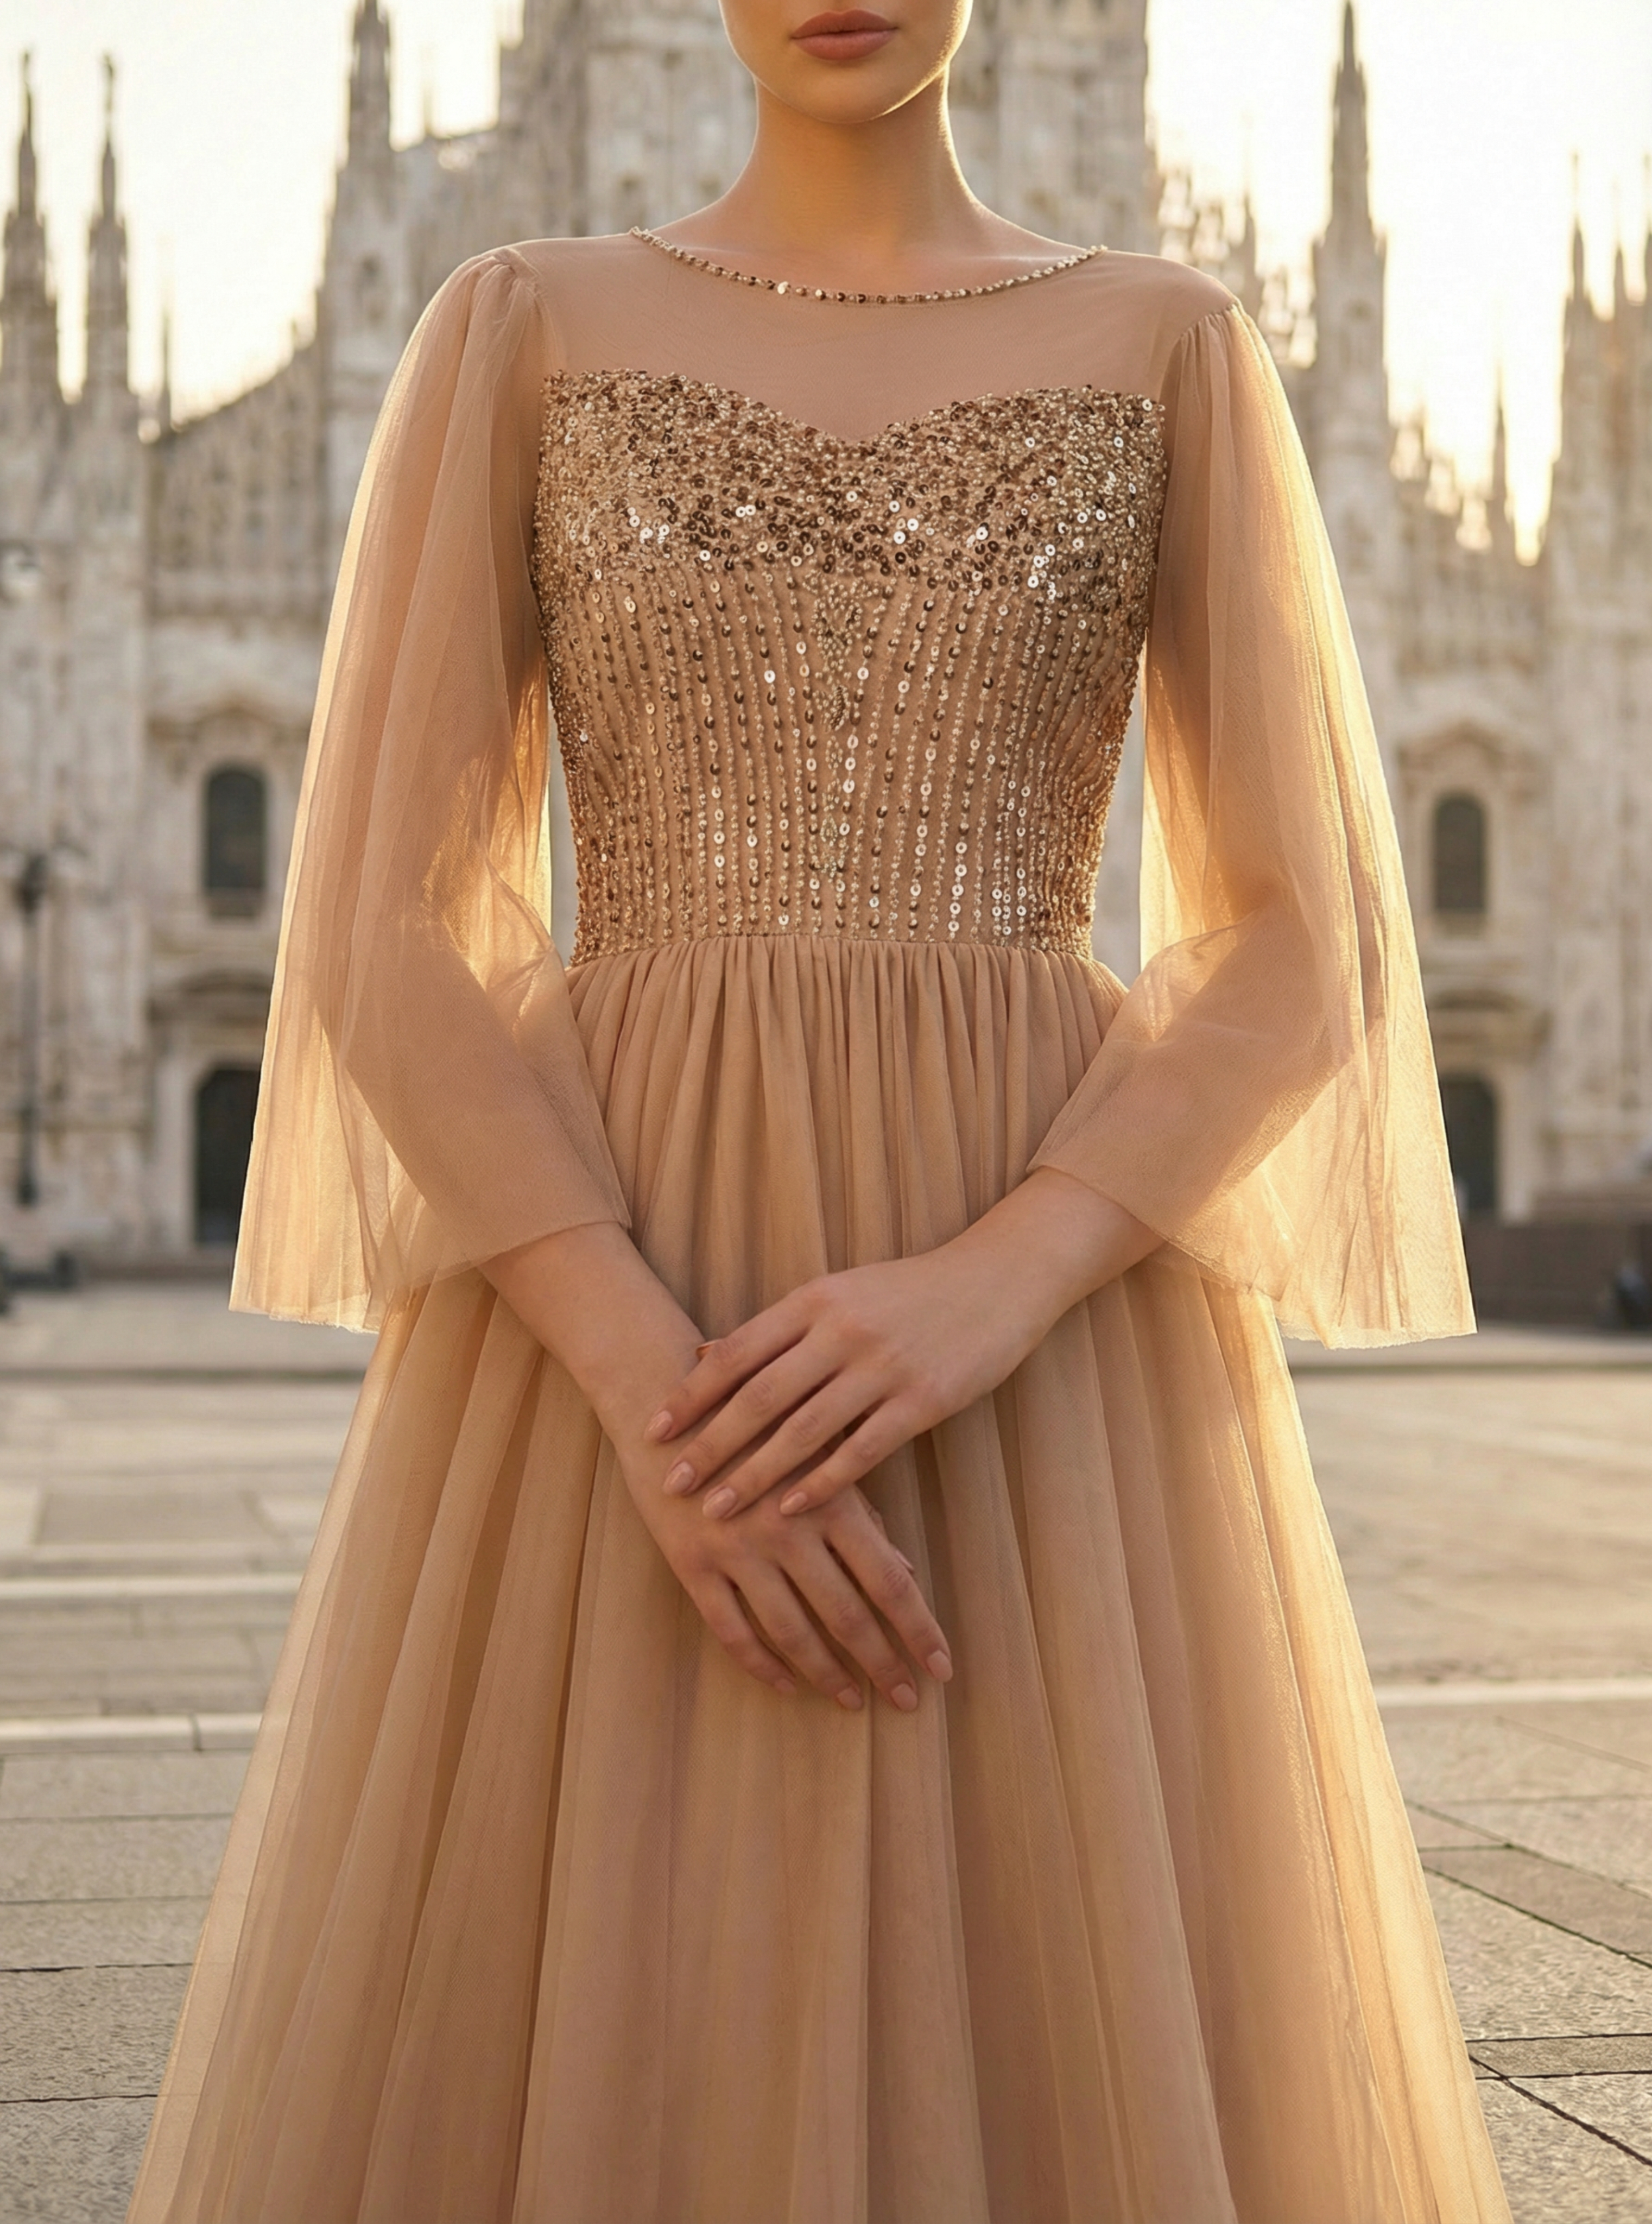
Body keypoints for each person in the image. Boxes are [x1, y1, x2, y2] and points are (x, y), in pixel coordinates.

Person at [130, 0, 1514, 2215]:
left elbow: (1312, 937)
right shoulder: (516, 324)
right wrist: (655, 1381)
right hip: (623, 1302)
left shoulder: (1173, 342)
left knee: (1069, 1986)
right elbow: (383, 923)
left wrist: (1000, 1278)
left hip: (1045, 1336)